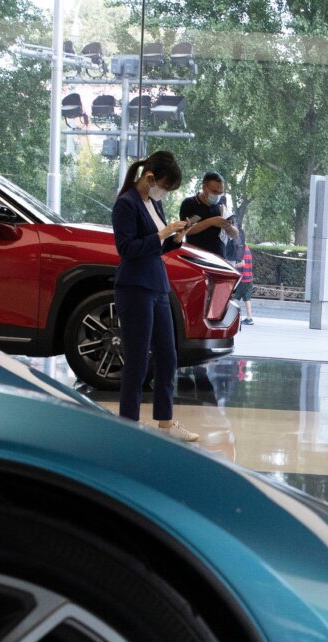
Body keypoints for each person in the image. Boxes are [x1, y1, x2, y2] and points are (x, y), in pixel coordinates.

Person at [111, 150, 201, 441]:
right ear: (150, 178)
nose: (165, 193)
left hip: (158, 286)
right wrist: (161, 235)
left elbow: (156, 248)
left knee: (168, 356)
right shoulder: (126, 204)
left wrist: (175, 238)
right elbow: (127, 249)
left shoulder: (153, 203)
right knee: (137, 361)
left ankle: (165, 421)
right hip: (134, 287)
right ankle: (128, 425)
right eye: (164, 186)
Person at [179, 171, 237, 262]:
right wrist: (211, 222)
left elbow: (235, 234)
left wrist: (228, 226)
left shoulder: (222, 205)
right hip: (196, 259)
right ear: (204, 187)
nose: (217, 195)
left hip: (220, 259)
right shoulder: (190, 203)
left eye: (220, 193)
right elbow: (185, 230)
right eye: (214, 191)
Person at [233, 216, 256, 325]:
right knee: (247, 299)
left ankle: (229, 317)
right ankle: (249, 318)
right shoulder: (247, 249)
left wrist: (232, 266)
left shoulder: (240, 250)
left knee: (230, 297)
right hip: (249, 278)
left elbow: (242, 264)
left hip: (242, 280)